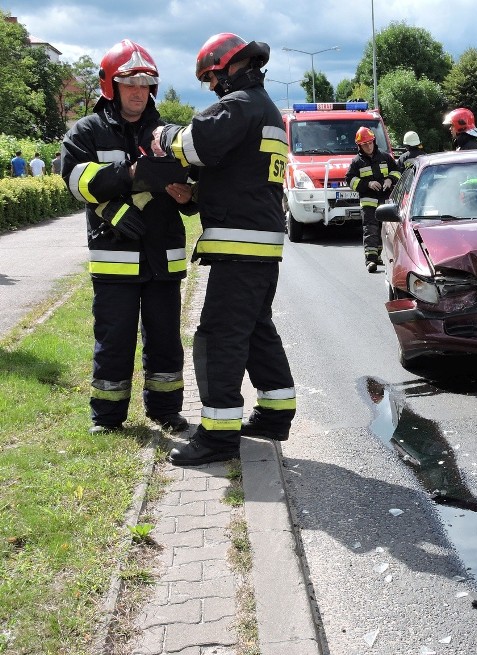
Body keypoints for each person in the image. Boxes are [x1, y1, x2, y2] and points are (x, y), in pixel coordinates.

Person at [151, 33, 296, 466]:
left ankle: (217, 437)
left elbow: (197, 144)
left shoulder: (239, 105)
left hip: (240, 245)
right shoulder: (267, 110)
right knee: (255, 330)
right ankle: (274, 414)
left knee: (217, 337)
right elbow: (240, 175)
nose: (212, 88)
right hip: (260, 244)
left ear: (226, 66)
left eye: (211, 79)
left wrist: (165, 134)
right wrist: (193, 196)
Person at [61, 39, 189, 435]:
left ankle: (165, 410)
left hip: (163, 253)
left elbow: (192, 184)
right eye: (130, 83)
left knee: (166, 339)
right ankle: (107, 417)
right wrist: (127, 183)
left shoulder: (166, 133)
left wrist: (190, 196)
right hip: (114, 253)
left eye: (146, 83)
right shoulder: (87, 132)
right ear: (110, 86)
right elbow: (76, 182)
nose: (139, 91)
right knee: (114, 338)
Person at [345, 126, 401, 273]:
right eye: (365, 144)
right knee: (370, 229)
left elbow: (397, 171)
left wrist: (389, 179)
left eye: (370, 143)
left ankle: (378, 256)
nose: (368, 146)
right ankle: (370, 260)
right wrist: (367, 184)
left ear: (374, 141)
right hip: (368, 202)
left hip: (385, 201)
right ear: (359, 145)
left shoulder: (385, 157)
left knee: (384, 229)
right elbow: (349, 180)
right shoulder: (357, 162)